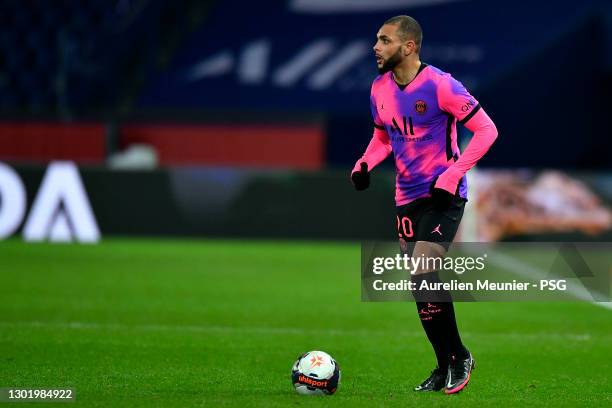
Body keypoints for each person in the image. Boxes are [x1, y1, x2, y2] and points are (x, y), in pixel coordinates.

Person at [351, 15, 498, 394]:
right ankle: (441, 365)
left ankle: (460, 356)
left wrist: (453, 174)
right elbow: (382, 136)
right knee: (420, 286)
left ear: (409, 46)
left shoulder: (440, 85)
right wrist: (364, 163)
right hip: (406, 199)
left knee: (422, 272)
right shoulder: (379, 88)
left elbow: (487, 130)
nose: (376, 47)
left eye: (384, 40)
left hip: (442, 196)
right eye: (377, 41)